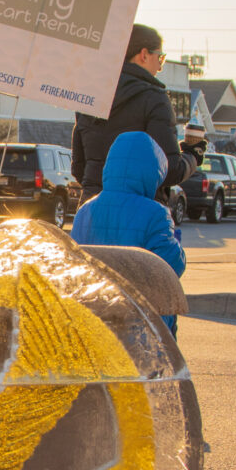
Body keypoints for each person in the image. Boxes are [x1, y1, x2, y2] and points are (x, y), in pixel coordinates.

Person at [71, 24, 207, 204]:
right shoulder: (154, 99)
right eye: (160, 58)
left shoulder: (91, 96)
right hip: (141, 213)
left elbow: (79, 168)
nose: (160, 67)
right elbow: (170, 170)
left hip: (92, 212)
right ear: (144, 55)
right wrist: (193, 155)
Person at [71, 130, 185, 337]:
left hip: (94, 319)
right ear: (153, 173)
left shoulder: (84, 211)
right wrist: (177, 245)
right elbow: (170, 268)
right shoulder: (156, 213)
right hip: (142, 325)